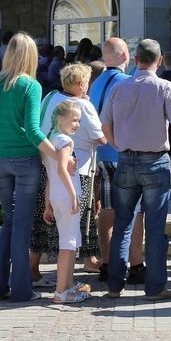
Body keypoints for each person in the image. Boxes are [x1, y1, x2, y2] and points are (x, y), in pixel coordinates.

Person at [100, 39, 171, 301]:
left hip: (126, 160)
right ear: (159, 60)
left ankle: (115, 286)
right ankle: (155, 287)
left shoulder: (119, 87)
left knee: (123, 225)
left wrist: (118, 145)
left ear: (136, 59)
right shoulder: (165, 87)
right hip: (155, 161)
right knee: (155, 227)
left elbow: (105, 124)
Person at [0, 33, 58, 301]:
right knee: (21, 225)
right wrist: (56, 155)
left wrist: (0, 127)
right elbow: (33, 130)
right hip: (25, 160)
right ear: (31, 56)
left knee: (9, 223)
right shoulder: (31, 86)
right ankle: (22, 289)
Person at [33, 63, 105, 281]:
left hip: (48, 166)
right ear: (82, 84)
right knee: (74, 229)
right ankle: (67, 281)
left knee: (42, 223)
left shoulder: (49, 97)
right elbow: (100, 138)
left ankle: (33, 268)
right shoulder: (82, 106)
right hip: (77, 170)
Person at [89, 38, 136, 282]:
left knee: (107, 208)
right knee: (129, 211)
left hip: (102, 154)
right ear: (125, 56)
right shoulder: (126, 83)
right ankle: (130, 262)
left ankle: (107, 263)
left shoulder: (95, 83)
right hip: (122, 153)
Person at [42, 100, 90, 304]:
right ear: (61, 119)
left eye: (79, 121)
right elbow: (62, 169)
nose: (77, 124)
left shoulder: (52, 138)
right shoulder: (66, 141)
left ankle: (67, 285)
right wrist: (73, 196)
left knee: (69, 241)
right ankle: (61, 291)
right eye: (74, 120)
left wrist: (47, 203)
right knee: (68, 244)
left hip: (56, 195)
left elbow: (50, 173)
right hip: (66, 195)